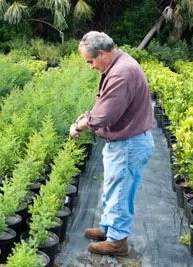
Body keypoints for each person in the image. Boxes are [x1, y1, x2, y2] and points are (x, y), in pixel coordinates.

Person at [70, 31, 154, 255]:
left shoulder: (122, 73)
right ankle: (108, 228)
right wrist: (87, 116)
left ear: (101, 54)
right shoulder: (119, 64)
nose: (90, 67)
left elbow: (105, 115)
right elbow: (106, 108)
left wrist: (79, 125)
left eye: (90, 61)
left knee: (120, 192)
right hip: (126, 142)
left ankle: (117, 242)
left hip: (129, 144)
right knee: (113, 187)